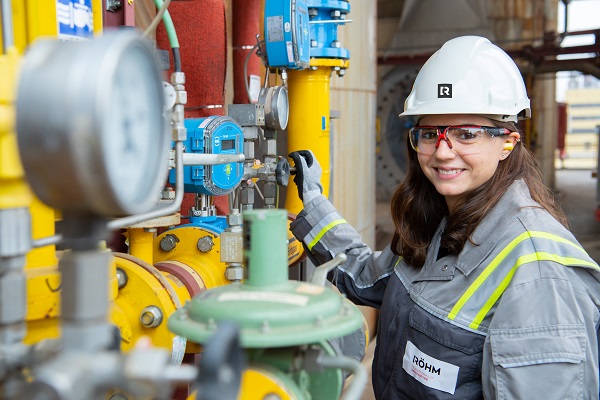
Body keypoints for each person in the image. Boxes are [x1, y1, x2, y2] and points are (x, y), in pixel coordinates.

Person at [288, 36, 600, 399]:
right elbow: (367, 276)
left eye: (466, 134)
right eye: (429, 134)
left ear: (508, 142)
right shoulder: (440, 224)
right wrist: (313, 202)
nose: (442, 152)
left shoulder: (540, 274)